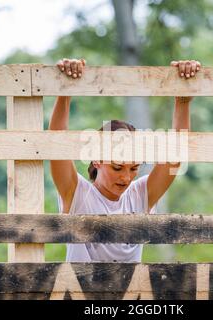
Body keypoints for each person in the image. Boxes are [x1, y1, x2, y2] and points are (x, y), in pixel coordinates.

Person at [49, 58, 201, 262]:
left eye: (134, 168)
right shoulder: (77, 193)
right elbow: (56, 143)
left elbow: (176, 156)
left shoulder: (140, 195)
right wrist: (65, 91)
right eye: (118, 167)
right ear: (96, 160)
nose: (126, 177)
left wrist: (182, 101)